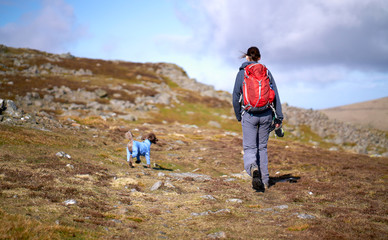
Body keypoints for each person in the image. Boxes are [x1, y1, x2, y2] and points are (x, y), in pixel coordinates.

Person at [232, 46, 283, 192]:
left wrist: (238, 115)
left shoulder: (242, 73)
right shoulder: (266, 72)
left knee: (249, 148)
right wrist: (279, 117)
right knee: (262, 148)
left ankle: (253, 168)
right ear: (259, 58)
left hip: (249, 115)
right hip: (266, 114)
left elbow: (236, 96)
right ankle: (265, 180)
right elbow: (276, 95)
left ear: (247, 57)